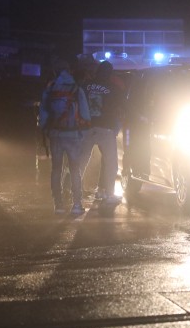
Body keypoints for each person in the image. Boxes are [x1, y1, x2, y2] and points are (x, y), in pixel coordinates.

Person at [38, 59, 91, 215]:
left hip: (55, 135)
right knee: (75, 170)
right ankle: (76, 205)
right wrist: (84, 134)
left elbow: (43, 112)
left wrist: (45, 131)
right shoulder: (77, 89)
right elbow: (85, 113)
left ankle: (58, 205)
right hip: (74, 135)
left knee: (56, 169)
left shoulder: (50, 89)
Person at [79, 60, 125, 204]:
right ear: (110, 73)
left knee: (81, 161)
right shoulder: (113, 88)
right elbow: (121, 106)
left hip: (87, 128)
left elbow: (77, 103)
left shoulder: (85, 86)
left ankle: (74, 191)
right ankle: (109, 194)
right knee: (111, 164)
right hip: (106, 129)